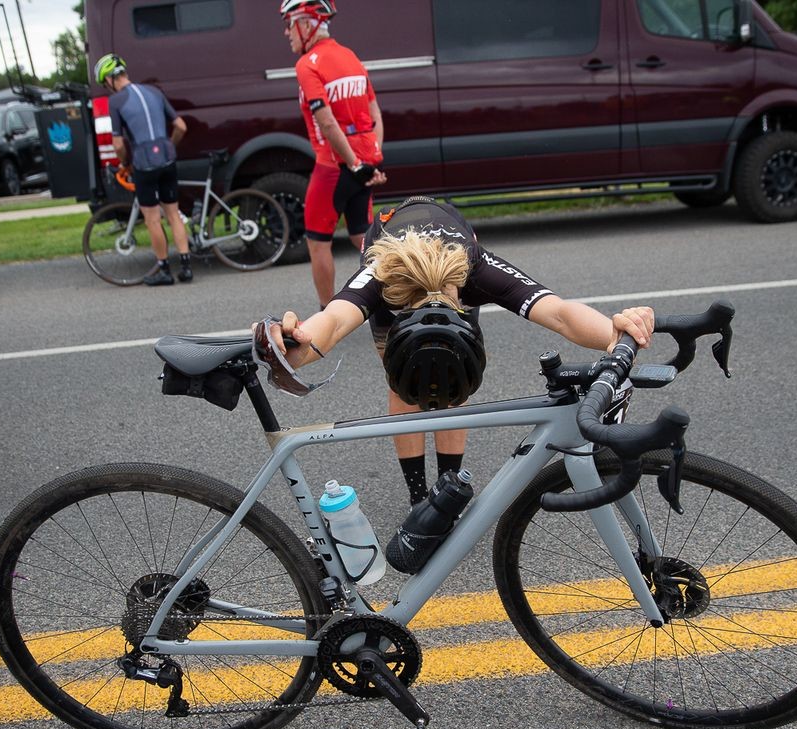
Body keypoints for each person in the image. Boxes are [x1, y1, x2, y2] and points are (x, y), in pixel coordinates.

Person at [262, 197, 655, 506]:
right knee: (404, 384)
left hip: (449, 244)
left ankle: (449, 486)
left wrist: (613, 331)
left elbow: (560, 313)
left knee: (453, 377)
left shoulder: (474, 266)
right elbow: (330, 323)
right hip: (392, 245)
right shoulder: (380, 274)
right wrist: (293, 339)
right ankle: (418, 495)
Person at [281, 0, 387, 310]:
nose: (287, 32)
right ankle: (405, 293)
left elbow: (326, 121)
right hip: (364, 161)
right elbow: (374, 114)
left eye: (290, 24)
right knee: (362, 237)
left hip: (334, 166)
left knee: (317, 242)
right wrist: (372, 160)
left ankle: (327, 312)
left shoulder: (307, 65)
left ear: (306, 24)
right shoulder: (350, 56)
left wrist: (354, 165)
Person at [94, 53, 191, 286]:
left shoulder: (115, 101)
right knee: (173, 214)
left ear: (109, 79)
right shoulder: (154, 91)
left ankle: (164, 269)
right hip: (167, 159)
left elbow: (118, 144)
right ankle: (186, 267)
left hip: (144, 163)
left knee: (152, 219)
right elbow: (180, 126)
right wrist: (169, 146)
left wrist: (125, 163)